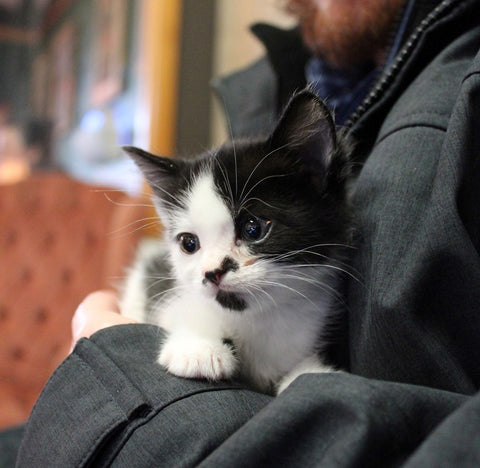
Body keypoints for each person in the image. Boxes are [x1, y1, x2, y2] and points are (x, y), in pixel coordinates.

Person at [13, 0, 480, 465]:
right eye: (191, 244)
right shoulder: (273, 82)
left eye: (251, 229)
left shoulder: (457, 88)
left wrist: (122, 371)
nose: (213, 268)